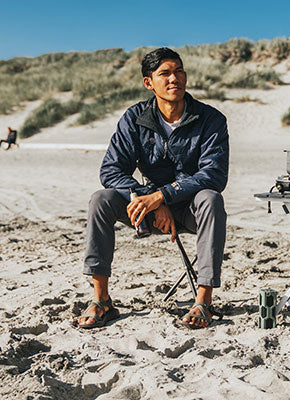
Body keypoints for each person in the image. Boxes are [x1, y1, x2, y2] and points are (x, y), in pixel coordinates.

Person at [76, 47, 229, 330]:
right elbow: (111, 170)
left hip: (190, 209)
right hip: (149, 209)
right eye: (165, 73)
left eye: (179, 71)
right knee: (101, 199)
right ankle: (102, 300)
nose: (175, 79)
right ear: (149, 83)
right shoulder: (135, 119)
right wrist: (150, 199)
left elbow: (214, 175)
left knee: (211, 198)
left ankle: (203, 301)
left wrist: (164, 196)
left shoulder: (211, 119)